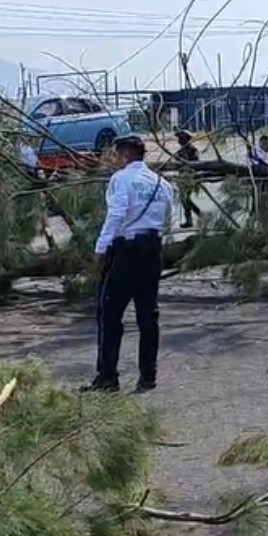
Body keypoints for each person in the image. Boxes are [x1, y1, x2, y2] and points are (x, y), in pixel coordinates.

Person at [83, 135, 176, 394]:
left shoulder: (121, 179)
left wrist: (101, 249)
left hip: (126, 252)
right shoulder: (162, 183)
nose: (113, 161)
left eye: (115, 155)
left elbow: (116, 214)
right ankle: (148, 376)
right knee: (148, 315)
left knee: (110, 314)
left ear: (124, 156)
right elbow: (169, 220)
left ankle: (107, 378)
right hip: (152, 251)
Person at [174, 129, 202, 228]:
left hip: (190, 177)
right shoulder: (181, 151)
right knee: (184, 199)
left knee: (184, 199)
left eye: (180, 138)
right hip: (183, 177)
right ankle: (191, 219)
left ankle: (197, 214)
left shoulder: (192, 150)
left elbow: (194, 164)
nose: (178, 141)